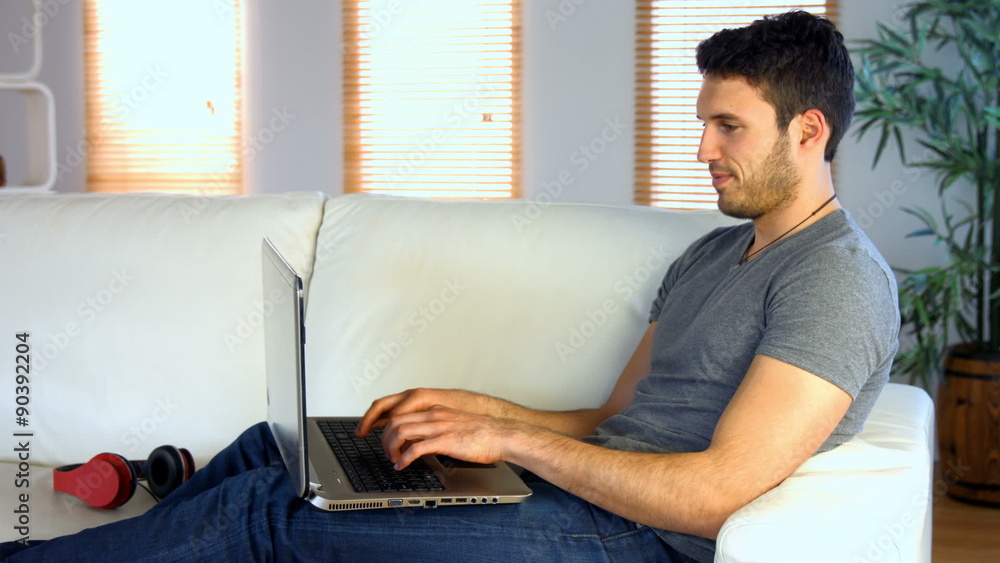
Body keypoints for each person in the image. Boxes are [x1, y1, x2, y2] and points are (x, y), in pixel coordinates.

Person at [2, 10, 898, 562]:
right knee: (275, 451)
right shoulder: (711, 254)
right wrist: (468, 410)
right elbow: (607, 423)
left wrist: (507, 435)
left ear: (808, 131)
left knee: (266, 515)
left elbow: (712, 494)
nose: (702, 148)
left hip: (632, 540)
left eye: (727, 127)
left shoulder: (837, 282)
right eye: (703, 122)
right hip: (581, 491)